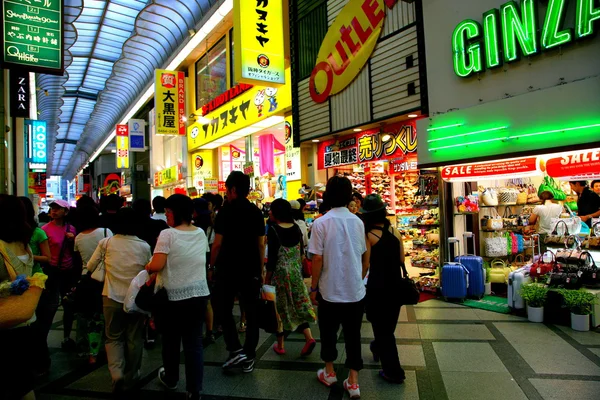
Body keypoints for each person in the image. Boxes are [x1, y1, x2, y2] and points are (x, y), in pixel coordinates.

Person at [308, 176, 368, 399]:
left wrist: (313, 288)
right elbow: (361, 255)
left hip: (329, 291)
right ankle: (353, 381)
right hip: (354, 290)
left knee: (328, 332)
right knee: (353, 335)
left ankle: (330, 372)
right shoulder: (357, 221)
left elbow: (317, 259)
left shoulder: (321, 223)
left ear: (328, 195)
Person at [146, 194, 210, 400]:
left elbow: (156, 265)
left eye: (168, 213)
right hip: (199, 294)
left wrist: (147, 266)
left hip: (173, 297)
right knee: (194, 343)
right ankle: (194, 390)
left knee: (171, 341)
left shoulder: (168, 235)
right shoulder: (200, 233)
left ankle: (171, 379)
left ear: (175, 213)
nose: (166, 217)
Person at [87, 208, 151, 393]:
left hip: (110, 296)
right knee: (134, 337)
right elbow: (149, 271)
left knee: (113, 336)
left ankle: (116, 373)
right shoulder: (144, 246)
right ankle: (132, 374)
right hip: (135, 300)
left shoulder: (106, 243)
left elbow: (90, 266)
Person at [211, 171, 265, 373]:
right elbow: (261, 244)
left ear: (233, 189)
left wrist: (211, 266)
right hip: (250, 269)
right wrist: (259, 270)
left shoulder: (224, 212)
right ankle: (249, 355)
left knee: (222, 308)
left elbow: (217, 244)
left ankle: (235, 348)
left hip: (227, 269)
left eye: (227, 189)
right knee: (252, 313)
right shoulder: (256, 212)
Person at [361, 194, 406, 384]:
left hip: (377, 287)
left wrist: (357, 281)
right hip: (396, 286)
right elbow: (402, 260)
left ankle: (394, 372)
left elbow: (365, 264)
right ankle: (377, 347)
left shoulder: (369, 236)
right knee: (388, 327)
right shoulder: (395, 232)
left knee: (383, 329)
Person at [266, 199, 316, 356]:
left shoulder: (273, 230)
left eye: (271, 210)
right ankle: (309, 338)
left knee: (278, 309)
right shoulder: (296, 228)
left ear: (277, 213)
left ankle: (280, 345)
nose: (269, 212)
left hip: (280, 275)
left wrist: (267, 279)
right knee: (298, 305)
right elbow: (301, 254)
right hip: (296, 273)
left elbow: (272, 260)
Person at [0, 195, 36, 400]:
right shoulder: (25, 245)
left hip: (4, 322)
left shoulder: (1, 248)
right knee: (22, 381)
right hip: (24, 319)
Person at [74, 205, 113, 364]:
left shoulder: (78, 237)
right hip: (103, 278)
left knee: (87, 316)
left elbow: (78, 262)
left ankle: (89, 351)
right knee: (101, 315)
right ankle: (101, 349)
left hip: (86, 279)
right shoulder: (105, 232)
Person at [41, 199, 78, 351]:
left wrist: (72, 240)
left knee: (68, 304)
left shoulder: (71, 229)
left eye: (58, 208)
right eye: (52, 208)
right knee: (51, 305)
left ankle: (67, 337)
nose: (54, 211)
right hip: (52, 271)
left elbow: (75, 251)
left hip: (68, 271)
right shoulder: (45, 229)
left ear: (66, 212)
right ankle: (43, 338)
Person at [193, 198, 216, 343]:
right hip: (208, 265)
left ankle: (198, 329)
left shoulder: (193, 228)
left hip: (195, 265)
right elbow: (214, 248)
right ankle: (210, 331)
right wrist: (211, 267)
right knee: (207, 300)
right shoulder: (212, 227)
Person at [20, 197, 51, 275]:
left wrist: (27, 257)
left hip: (34, 277)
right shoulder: (8, 232)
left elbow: (47, 258)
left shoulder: (38, 233)